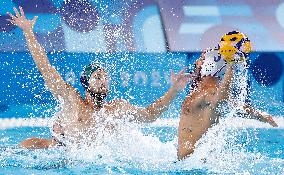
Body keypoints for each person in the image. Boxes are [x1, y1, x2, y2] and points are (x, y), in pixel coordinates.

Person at [7, 7, 191, 149]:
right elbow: (45, 68)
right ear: (86, 84)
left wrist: (174, 90)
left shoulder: (116, 109)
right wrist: (28, 33)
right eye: (97, 77)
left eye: (105, 77)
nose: (103, 80)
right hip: (61, 151)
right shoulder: (72, 100)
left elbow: (150, 115)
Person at [177, 44, 278, 160]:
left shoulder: (211, 92)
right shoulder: (198, 89)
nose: (198, 61)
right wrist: (260, 115)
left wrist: (231, 66)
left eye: (202, 58)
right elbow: (234, 107)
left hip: (193, 165)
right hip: (187, 164)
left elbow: (223, 99)